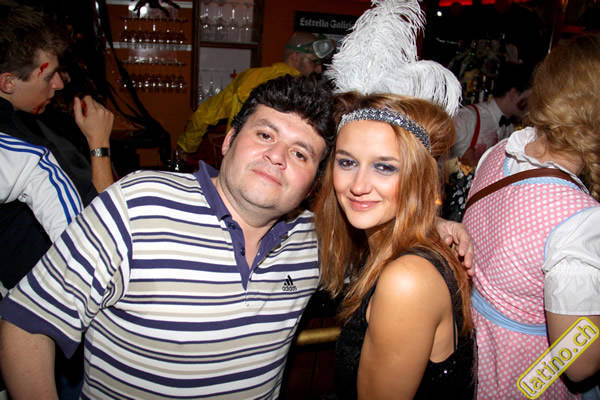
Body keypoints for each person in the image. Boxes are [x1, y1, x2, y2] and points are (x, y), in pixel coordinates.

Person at [0, 74, 473, 399]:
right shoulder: (139, 204)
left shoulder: (315, 241)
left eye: (301, 153)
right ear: (228, 141)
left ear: (315, 181)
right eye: (265, 135)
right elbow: (26, 325)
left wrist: (426, 222)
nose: (278, 156)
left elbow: (387, 264)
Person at [463, 34, 600, 399]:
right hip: (526, 377)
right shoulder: (579, 219)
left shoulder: (501, 153)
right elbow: (579, 361)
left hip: (476, 354)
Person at [314, 93, 476, 400]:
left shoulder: (407, 279)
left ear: (419, 176)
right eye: (347, 162)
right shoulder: (386, 247)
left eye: (384, 167)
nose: (358, 186)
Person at [0, 3, 115, 294]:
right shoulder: (28, 156)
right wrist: (99, 143)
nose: (59, 83)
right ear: (8, 83)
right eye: (48, 75)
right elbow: (96, 241)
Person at [177, 31, 335, 155]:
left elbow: (203, 116)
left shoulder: (248, 77)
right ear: (295, 57)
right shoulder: (308, 93)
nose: (318, 69)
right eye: (314, 62)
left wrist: (186, 148)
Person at [443, 61, 532, 222]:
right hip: (451, 213)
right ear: (513, 94)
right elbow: (432, 160)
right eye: (528, 99)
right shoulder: (467, 118)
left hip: (481, 214)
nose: (531, 106)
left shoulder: (511, 130)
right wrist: (459, 165)